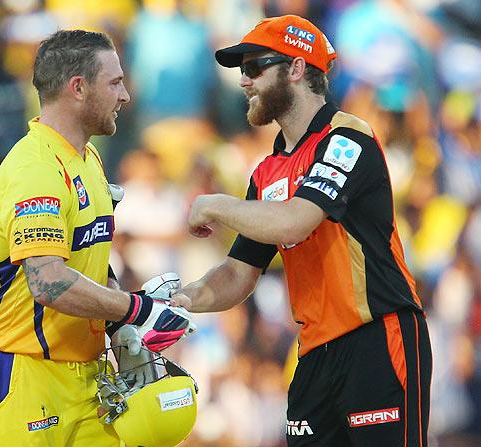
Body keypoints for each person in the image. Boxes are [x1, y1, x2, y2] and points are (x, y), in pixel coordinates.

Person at [172, 15, 432, 446]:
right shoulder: (266, 171)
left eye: (254, 67)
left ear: (296, 68)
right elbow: (238, 274)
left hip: (377, 338)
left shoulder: (347, 136)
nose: (244, 81)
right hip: (314, 352)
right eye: (242, 70)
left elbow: (297, 218)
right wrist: (183, 300)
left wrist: (216, 204)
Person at [0, 30, 193, 446]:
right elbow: (48, 282)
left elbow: (91, 262)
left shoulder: (88, 158)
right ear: (78, 88)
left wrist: (119, 329)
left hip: (84, 374)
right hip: (22, 370)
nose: (125, 95)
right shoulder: (34, 170)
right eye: (115, 82)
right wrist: (135, 310)